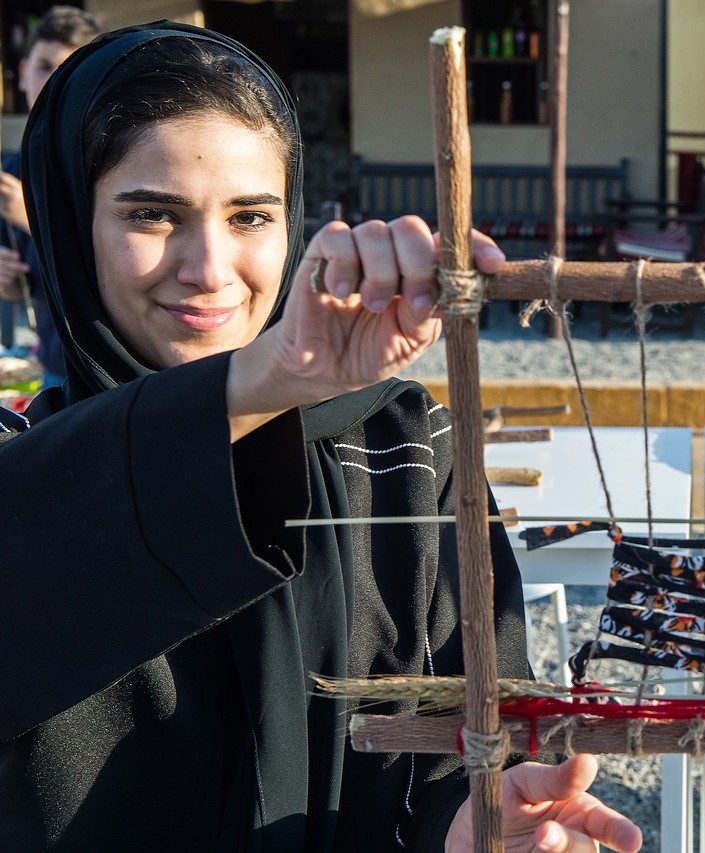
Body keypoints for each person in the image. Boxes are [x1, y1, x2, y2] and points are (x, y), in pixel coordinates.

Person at [0, 20, 640, 853]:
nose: (210, 268)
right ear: (67, 222)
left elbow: (467, 740)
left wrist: (477, 826)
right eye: (152, 214)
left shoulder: (406, 450)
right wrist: (268, 380)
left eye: (250, 216)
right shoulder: (25, 464)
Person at [0, 6, 103, 386]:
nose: (53, 82)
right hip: (53, 363)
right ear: (23, 72)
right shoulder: (14, 169)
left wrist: (30, 218)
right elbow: (23, 286)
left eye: (69, 69)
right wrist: (8, 281)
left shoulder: (108, 162)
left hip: (111, 368)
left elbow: (118, 264)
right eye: (44, 67)